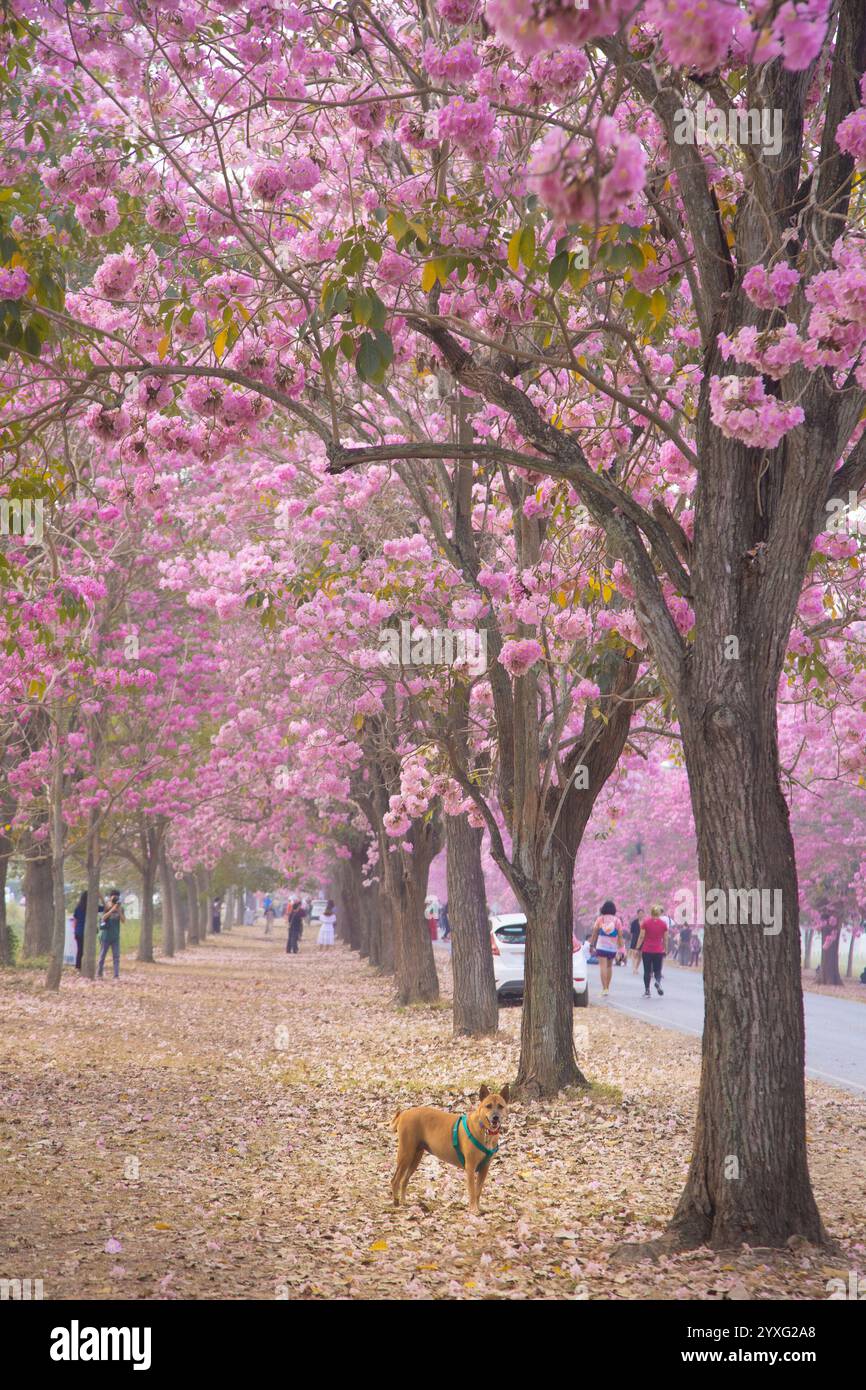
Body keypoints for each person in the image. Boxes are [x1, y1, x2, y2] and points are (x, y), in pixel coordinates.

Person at [588, 900, 626, 997]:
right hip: (612, 947)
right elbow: (620, 936)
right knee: (609, 967)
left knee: (602, 967)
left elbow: (595, 933)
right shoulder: (617, 920)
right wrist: (621, 949)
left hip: (601, 946)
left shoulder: (600, 919)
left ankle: (604, 988)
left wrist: (592, 944)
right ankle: (607, 988)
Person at [637, 905, 668, 997]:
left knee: (647, 971)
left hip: (647, 950)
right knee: (657, 971)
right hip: (658, 951)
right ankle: (658, 982)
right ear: (659, 913)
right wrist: (666, 949)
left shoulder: (646, 923)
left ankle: (647, 991)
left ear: (651, 913)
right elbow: (665, 939)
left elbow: (642, 936)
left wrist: (637, 947)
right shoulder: (663, 924)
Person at [98, 890, 125, 980]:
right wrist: (111, 910)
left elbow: (123, 921)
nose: (115, 899)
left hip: (115, 936)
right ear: (110, 898)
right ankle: (99, 973)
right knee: (102, 956)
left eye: (116, 897)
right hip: (106, 936)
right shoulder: (107, 907)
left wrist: (119, 910)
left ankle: (116, 975)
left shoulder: (121, 908)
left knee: (116, 956)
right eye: (113, 897)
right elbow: (103, 918)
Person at [73, 890, 87, 970]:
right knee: (84, 950)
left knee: (80, 950)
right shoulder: (91, 907)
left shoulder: (78, 908)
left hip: (78, 931)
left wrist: (74, 932)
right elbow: (104, 908)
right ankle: (82, 966)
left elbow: (75, 921)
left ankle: (78, 966)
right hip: (84, 932)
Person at [629, 908, 643, 974]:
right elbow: (631, 932)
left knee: (640, 955)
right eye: (640, 913)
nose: (641, 915)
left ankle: (636, 967)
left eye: (642, 913)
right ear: (637, 914)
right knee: (634, 955)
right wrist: (632, 940)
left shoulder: (645, 922)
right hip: (635, 939)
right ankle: (634, 968)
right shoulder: (634, 922)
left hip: (642, 941)